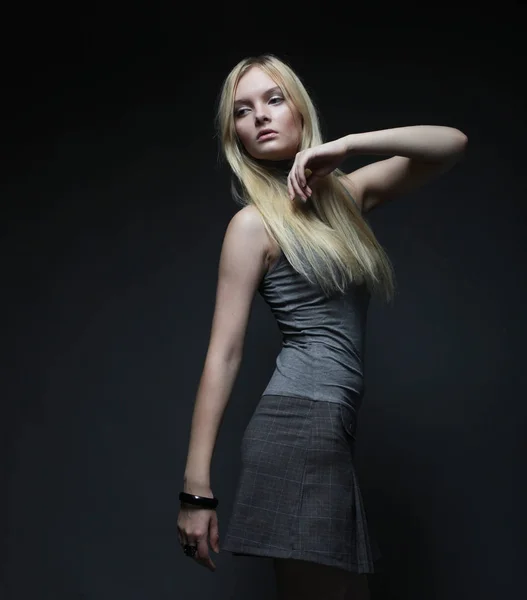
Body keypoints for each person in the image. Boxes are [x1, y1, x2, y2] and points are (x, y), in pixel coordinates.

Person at [177, 54, 467, 599]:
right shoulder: (252, 226)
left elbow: (452, 143)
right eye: (243, 111)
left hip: (328, 428)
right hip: (297, 429)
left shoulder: (349, 198)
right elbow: (225, 354)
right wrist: (197, 492)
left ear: (299, 110)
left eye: (274, 99)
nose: (260, 116)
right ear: (234, 135)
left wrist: (348, 145)